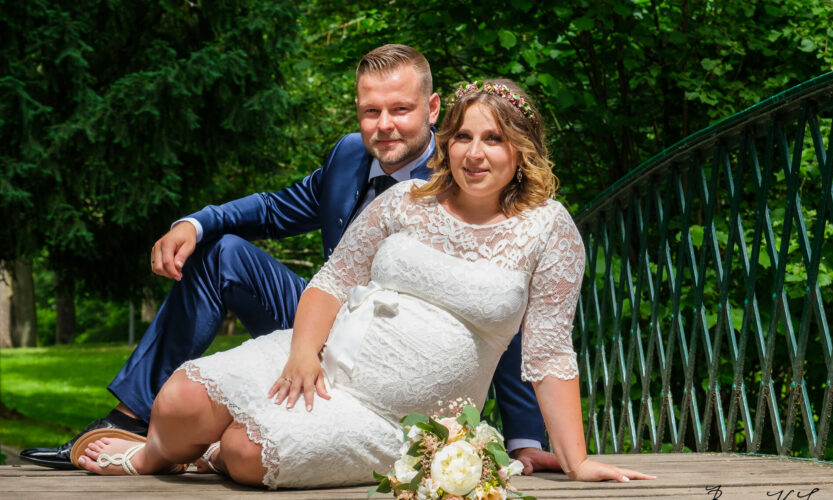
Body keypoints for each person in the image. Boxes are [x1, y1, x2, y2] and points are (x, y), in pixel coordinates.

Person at [70, 78, 655, 488]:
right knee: (177, 402)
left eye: (495, 139)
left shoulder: (549, 229)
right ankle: (153, 453)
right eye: (464, 137)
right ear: (446, 142)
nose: (475, 154)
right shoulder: (406, 199)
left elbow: (548, 351)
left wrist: (572, 460)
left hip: (400, 417)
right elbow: (332, 278)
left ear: (521, 151)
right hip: (329, 361)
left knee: (251, 453)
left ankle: (213, 454)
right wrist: (303, 354)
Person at [20, 44, 555, 473]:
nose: (384, 125)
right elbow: (275, 209)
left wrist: (525, 437)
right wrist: (195, 221)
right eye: (371, 110)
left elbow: (500, 313)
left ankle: (218, 444)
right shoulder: (349, 155)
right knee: (222, 252)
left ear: (432, 109)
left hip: (399, 367)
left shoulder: (467, 174)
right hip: (324, 321)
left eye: (400, 109)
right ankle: (131, 418)